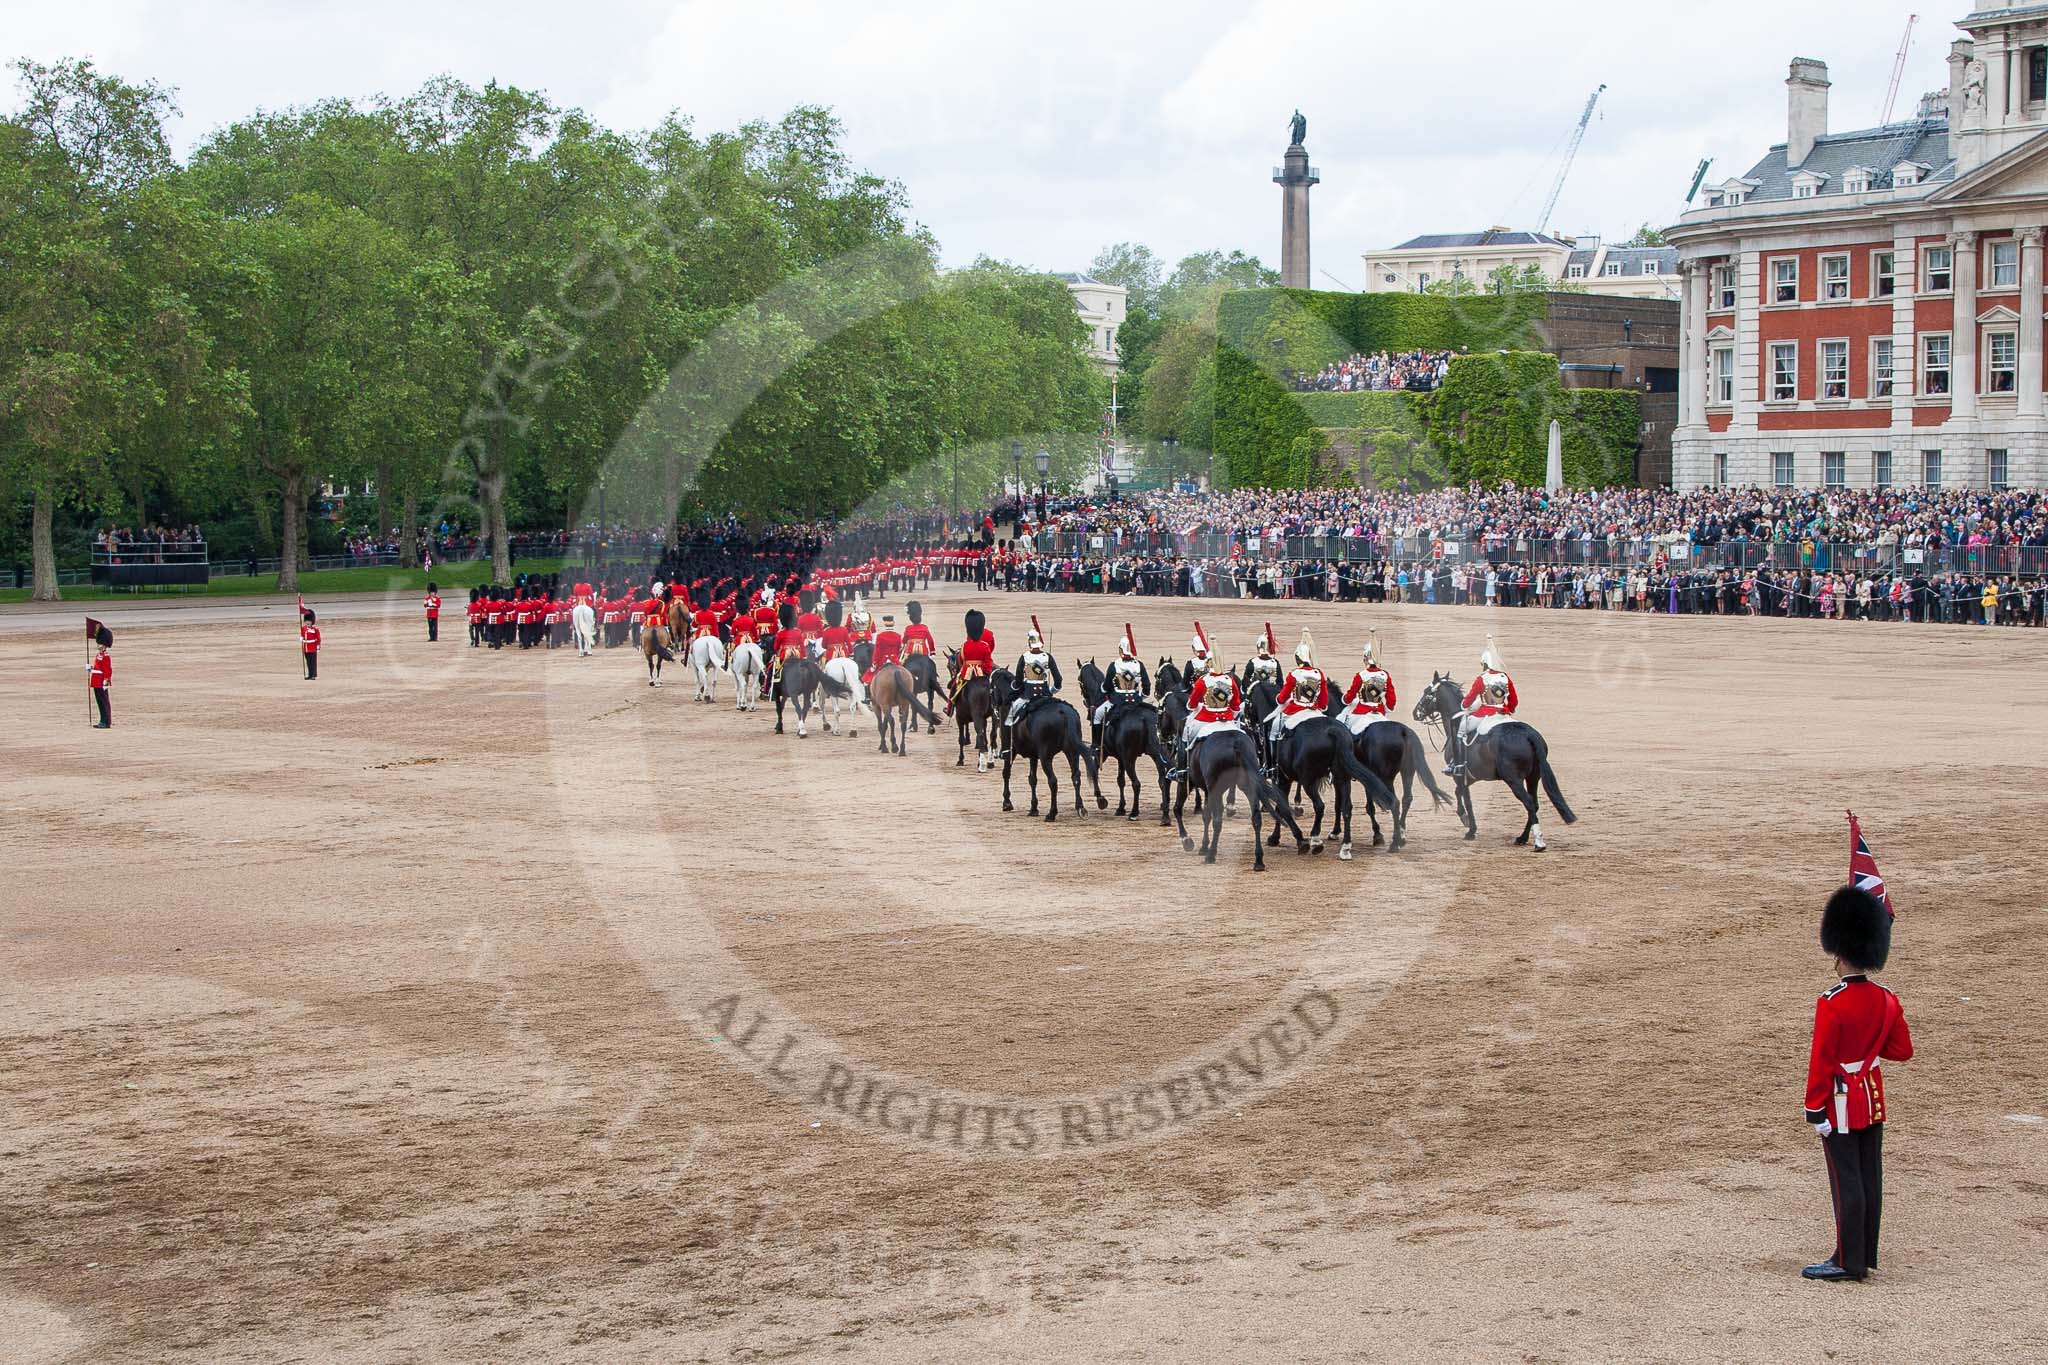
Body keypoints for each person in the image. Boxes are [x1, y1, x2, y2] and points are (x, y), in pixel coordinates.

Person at [1803, 885, 1913, 1283]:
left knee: (1845, 1179)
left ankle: (1848, 1262)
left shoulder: (1832, 1002)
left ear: (1839, 954)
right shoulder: (1886, 999)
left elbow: (1823, 1060)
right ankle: (1861, 1253)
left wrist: (1814, 1106)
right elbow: (1901, 1051)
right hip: (1872, 1097)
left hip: (1841, 1102)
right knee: (1869, 1177)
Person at [1445, 634, 1516, 778]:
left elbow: (1468, 700)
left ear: (1484, 664)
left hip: (1485, 714)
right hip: (1503, 713)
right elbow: (1514, 700)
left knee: (1460, 730)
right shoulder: (1505, 677)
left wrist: (1465, 706)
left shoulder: (1482, 679)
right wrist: (1508, 711)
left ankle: (1457, 765)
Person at [1176, 645, 1241, 777]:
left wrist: (1196, 707)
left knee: (1185, 735)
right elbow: (1235, 705)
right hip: (1228, 719)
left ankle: (1182, 771)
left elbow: (1192, 704)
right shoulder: (1230, 680)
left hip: (1206, 718)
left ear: (1208, 663)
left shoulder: (1203, 681)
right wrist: (1229, 715)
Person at [1268, 628, 1329, 749]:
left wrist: (1279, 699)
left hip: (1295, 710)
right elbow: (1323, 702)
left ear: (1298, 658)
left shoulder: (1294, 674)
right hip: (1314, 710)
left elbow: (1282, 698)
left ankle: (1273, 763)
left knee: (1274, 729)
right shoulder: (1319, 674)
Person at [1092, 631, 1150, 742]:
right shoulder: (1139, 665)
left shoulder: (1114, 665)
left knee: (1097, 716)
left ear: (1120, 650)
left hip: (1117, 700)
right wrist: (1140, 697)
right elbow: (1147, 687)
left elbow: (1106, 687)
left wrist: (1104, 691)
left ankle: (1097, 745)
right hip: (1136, 701)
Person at [1341, 630, 1396, 737]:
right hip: (1379, 712)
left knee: (1344, 727)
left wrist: (1345, 699)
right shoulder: (1385, 675)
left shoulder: (1361, 675)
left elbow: (1350, 696)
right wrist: (1386, 709)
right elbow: (1391, 700)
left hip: (1361, 712)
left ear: (1366, 658)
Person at [1005, 627, 1061, 729]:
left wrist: (1014, 688)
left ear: (1029, 643)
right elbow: (1058, 680)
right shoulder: (1048, 657)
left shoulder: (1024, 656)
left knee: (1011, 716)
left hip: (1028, 695)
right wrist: (1051, 691)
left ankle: (1013, 740)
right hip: (1045, 694)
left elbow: (1018, 681)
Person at [947, 608, 995, 715]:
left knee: (955, 685)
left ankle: (949, 708)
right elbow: (991, 648)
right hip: (984, 663)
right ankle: (996, 707)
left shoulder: (966, 643)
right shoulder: (989, 635)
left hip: (967, 669)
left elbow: (962, 658)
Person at [865, 611, 902, 683]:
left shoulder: (880, 636)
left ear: (884, 624)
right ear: (893, 623)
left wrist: (874, 663)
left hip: (882, 660)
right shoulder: (898, 636)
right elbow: (898, 650)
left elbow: (877, 652)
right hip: (895, 660)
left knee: (867, 679)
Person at [88, 624, 113, 728]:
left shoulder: (106, 656)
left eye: (101, 644)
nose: (99, 646)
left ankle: (106, 721)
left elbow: (107, 669)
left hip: (101, 681)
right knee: (100, 702)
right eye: (99, 644)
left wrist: (106, 680)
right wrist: (90, 668)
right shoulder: (98, 655)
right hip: (96, 680)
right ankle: (102, 720)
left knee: (104, 702)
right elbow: (97, 668)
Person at [300, 608, 322, 680]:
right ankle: (310, 675)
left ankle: (313, 675)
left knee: (313, 662)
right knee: (308, 663)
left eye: (309, 621)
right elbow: (303, 636)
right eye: (306, 621)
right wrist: (301, 639)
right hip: (306, 648)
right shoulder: (303, 629)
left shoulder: (315, 629)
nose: (308, 622)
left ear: (312, 621)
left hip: (312, 647)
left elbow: (318, 638)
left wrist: (318, 647)